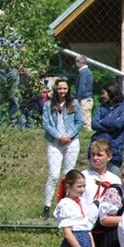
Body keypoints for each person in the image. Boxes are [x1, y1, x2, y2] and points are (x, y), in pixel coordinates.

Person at [41, 78, 83, 219]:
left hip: (71, 142)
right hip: (55, 142)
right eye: (59, 88)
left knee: (67, 174)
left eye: (65, 88)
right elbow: (46, 123)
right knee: (53, 175)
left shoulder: (74, 103)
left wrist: (68, 135)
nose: (62, 91)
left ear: (68, 89)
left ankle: (64, 204)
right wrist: (59, 136)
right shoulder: (48, 104)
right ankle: (47, 206)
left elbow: (79, 123)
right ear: (56, 89)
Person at [90, 82, 124, 175]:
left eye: (103, 93)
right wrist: (111, 123)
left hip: (114, 147)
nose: (101, 96)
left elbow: (118, 124)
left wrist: (102, 121)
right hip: (98, 145)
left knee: (113, 178)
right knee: (94, 176)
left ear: (111, 92)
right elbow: (94, 124)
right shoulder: (101, 107)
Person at [81, 140, 121, 207]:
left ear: (109, 157)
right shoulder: (83, 176)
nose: (95, 158)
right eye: (93, 154)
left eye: (99, 155)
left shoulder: (115, 179)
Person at [75, 55, 94, 131]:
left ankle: (87, 132)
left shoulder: (84, 72)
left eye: (76, 62)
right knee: (86, 116)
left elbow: (81, 87)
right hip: (87, 98)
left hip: (84, 98)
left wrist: (78, 99)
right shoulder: (88, 72)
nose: (76, 64)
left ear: (81, 62)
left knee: (85, 118)